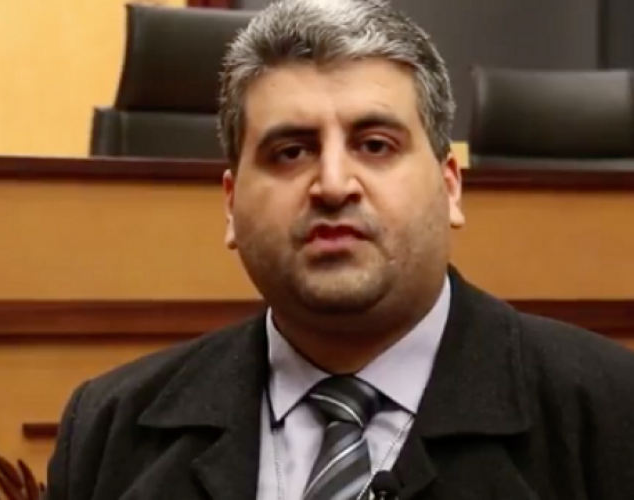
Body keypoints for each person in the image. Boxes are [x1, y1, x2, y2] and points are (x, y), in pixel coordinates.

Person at [45, 0, 634, 499]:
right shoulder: (109, 430)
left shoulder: (611, 414)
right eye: (291, 152)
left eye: (375, 145)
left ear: (450, 187)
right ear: (230, 204)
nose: (332, 185)